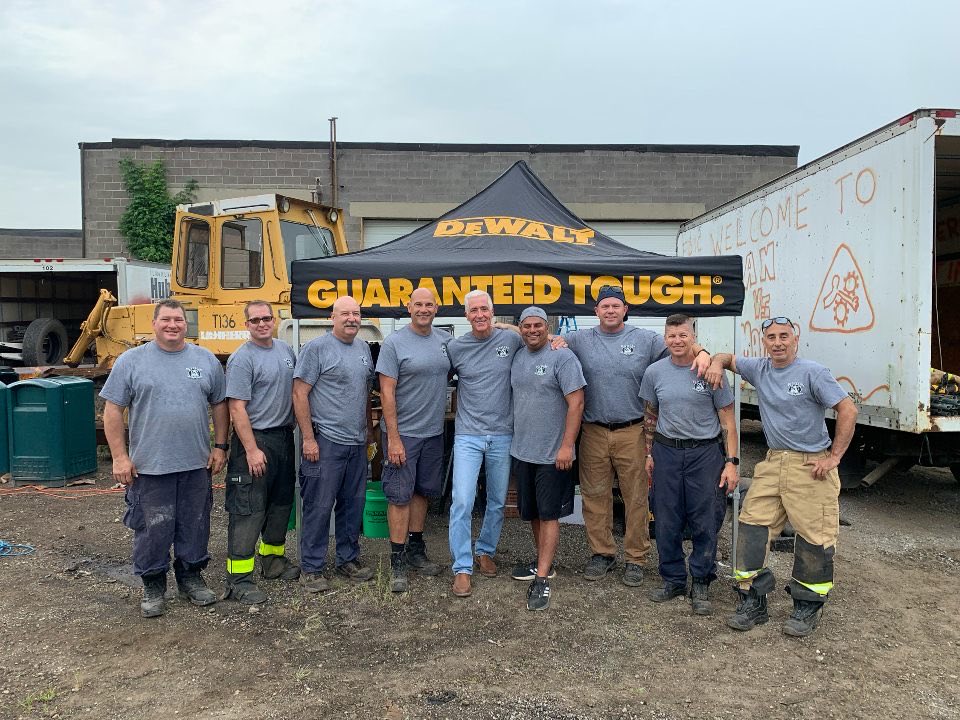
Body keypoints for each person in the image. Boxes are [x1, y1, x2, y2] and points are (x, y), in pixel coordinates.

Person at [706, 315, 858, 637]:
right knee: (751, 526)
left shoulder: (812, 372)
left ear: (795, 339)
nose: (777, 342)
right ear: (765, 342)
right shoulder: (759, 369)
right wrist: (716, 364)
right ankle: (753, 600)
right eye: (771, 337)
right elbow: (725, 356)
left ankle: (807, 606)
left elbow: (847, 409)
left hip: (810, 464)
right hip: (773, 463)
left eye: (783, 336)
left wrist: (834, 457)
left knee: (814, 537)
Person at [562, 285, 710, 586]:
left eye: (616, 306)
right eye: (605, 306)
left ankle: (635, 557)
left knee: (636, 497)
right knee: (594, 496)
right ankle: (602, 553)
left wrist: (706, 354)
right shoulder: (580, 339)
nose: (610, 311)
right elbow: (546, 339)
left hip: (632, 430)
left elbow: (679, 345)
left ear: (625, 310)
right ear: (596, 311)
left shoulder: (646, 339)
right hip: (592, 430)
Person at [101, 299, 228, 618]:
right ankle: (153, 584)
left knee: (195, 526)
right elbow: (113, 410)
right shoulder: (132, 361)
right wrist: (119, 457)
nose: (173, 325)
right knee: (152, 529)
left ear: (187, 325)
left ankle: (191, 578)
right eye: (166, 320)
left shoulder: (205, 360)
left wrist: (220, 446)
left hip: (196, 466)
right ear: (154, 324)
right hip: (150, 468)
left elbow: (220, 405)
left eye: (179, 320)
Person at [638, 313, 739, 615]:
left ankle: (702, 581)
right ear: (665, 338)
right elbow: (650, 416)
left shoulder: (711, 372)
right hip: (667, 452)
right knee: (666, 519)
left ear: (693, 336)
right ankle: (673, 579)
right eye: (672, 336)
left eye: (683, 335)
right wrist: (648, 453)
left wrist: (731, 462)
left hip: (705, 455)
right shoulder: (654, 373)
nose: (677, 341)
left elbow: (729, 424)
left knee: (705, 519)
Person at [293, 295, 376, 592]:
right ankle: (312, 568)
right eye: (345, 314)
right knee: (318, 505)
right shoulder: (316, 349)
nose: (352, 318)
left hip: (355, 441)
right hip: (325, 441)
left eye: (356, 313)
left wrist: (368, 430)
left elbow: (365, 392)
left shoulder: (364, 348)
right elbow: (299, 394)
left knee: (353, 505)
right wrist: (308, 438)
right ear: (332, 317)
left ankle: (348, 559)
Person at [445, 290, 523, 597]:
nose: (479, 315)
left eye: (484, 310)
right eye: (473, 310)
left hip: (503, 433)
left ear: (493, 312)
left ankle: (485, 551)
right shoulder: (455, 347)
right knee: (462, 500)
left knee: (497, 500)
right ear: (466, 315)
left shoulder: (510, 340)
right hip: (468, 435)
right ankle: (462, 568)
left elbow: (533, 337)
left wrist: (507, 327)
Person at [222, 300, 300, 605]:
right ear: (247, 325)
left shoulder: (285, 351)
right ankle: (239, 578)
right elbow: (236, 407)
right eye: (255, 320)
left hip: (283, 437)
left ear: (276, 319)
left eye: (267, 318)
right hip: (254, 441)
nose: (262, 323)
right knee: (249, 508)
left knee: (281, 504)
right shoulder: (243, 359)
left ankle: (273, 562)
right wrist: (252, 450)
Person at [510, 306, 586, 611]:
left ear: (547, 327)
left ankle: (542, 579)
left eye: (538, 325)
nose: (532, 330)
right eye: (526, 326)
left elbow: (577, 403)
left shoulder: (563, 357)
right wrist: (511, 329)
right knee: (534, 513)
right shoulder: (518, 355)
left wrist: (567, 446)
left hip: (553, 453)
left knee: (550, 514)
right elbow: (504, 329)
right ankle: (542, 562)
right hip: (523, 449)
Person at [376, 288, 452, 593]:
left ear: (437, 308)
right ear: (408, 308)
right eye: (418, 304)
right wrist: (393, 438)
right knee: (399, 495)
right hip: (402, 433)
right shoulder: (394, 343)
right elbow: (386, 392)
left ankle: (416, 549)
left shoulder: (444, 341)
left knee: (423, 492)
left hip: (433, 431)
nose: (424, 309)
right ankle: (397, 560)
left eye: (429, 304)